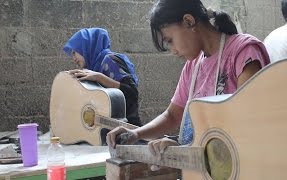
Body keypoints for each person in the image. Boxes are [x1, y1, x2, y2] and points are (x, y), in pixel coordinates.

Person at [107, 0, 270, 158]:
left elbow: (248, 119)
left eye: (170, 41)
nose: (173, 51)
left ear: (188, 21)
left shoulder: (243, 51)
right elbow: (172, 116)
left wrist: (187, 149)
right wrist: (135, 133)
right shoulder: (194, 65)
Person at [63, 28, 142, 127]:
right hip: (107, 130)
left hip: (126, 129)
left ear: (86, 46)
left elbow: (132, 92)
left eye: (74, 52)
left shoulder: (109, 60)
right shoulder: (93, 68)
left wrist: (100, 77)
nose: (73, 58)